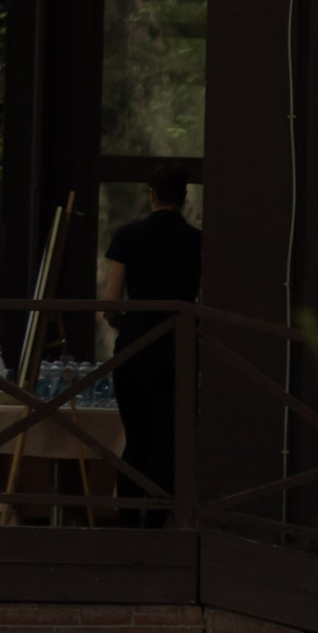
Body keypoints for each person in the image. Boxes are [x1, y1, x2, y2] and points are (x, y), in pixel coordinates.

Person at [103, 163, 203, 523]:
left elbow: (111, 301)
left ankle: (129, 520)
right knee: (167, 440)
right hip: (178, 347)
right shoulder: (197, 241)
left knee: (136, 438)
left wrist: (121, 321)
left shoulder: (128, 236)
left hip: (135, 345)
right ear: (184, 196)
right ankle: (161, 522)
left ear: (152, 194)